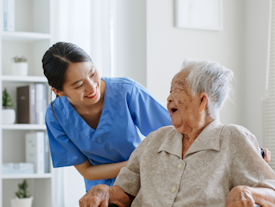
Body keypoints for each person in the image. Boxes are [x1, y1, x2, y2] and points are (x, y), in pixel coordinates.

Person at [79, 59, 275, 207]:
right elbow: (125, 192)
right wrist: (105, 191)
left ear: (202, 100)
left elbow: (272, 191)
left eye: (177, 91)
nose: (169, 98)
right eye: (169, 91)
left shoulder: (233, 138)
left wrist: (248, 192)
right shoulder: (155, 139)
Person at [42, 42, 172, 193]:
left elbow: (172, 132)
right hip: (102, 194)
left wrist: (144, 164)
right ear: (59, 91)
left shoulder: (127, 91)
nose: (92, 87)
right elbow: (87, 171)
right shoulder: (56, 116)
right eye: (79, 85)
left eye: (92, 73)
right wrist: (139, 163)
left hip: (144, 183)